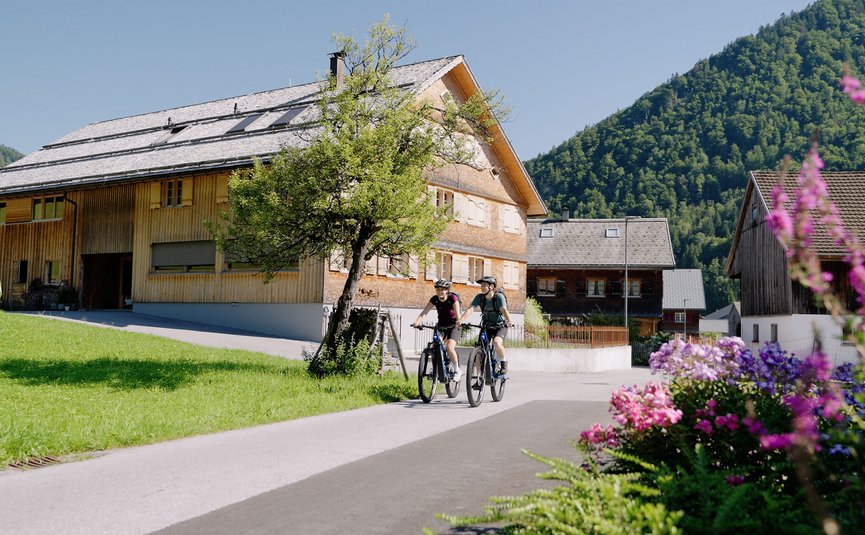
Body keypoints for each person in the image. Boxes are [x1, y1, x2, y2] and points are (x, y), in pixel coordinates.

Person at [411, 279, 463, 382]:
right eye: (438, 290)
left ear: (447, 290)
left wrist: (459, 321)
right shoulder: (434, 299)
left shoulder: (452, 298)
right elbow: (425, 312)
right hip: (441, 326)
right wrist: (416, 322)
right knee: (436, 345)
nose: (440, 292)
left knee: (449, 346)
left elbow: (458, 314)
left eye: (442, 290)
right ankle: (437, 369)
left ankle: (457, 369)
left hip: (453, 326)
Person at [463, 276, 513, 375]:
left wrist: (509, 320)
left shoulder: (498, 297)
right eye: (481, 285)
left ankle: (503, 361)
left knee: (497, 343)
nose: (482, 287)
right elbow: (471, 309)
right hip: (486, 326)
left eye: (484, 285)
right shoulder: (480, 297)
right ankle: (479, 376)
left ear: (491, 287)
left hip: (500, 326)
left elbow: (503, 309)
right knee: (479, 351)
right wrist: (460, 320)